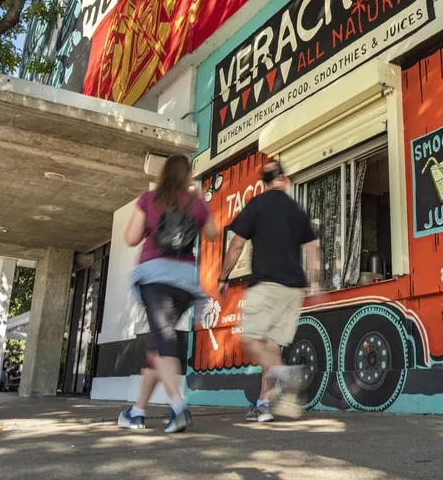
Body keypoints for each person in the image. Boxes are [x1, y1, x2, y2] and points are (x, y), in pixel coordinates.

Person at [117, 154, 218, 433]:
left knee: (163, 341)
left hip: (154, 278)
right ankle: (136, 412)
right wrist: (200, 201)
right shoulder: (195, 203)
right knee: (157, 347)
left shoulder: (149, 200)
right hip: (185, 283)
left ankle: (178, 406)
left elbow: (130, 238)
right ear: (187, 176)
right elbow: (212, 234)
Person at [218, 160, 320, 422]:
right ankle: (264, 404)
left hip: (266, 286)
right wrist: (316, 283)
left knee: (249, 340)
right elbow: (312, 249)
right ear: (283, 179)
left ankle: (284, 375)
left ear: (264, 182)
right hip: (293, 290)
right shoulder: (297, 210)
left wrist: (223, 277)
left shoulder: (256, 205)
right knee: (271, 346)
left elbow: (236, 245)